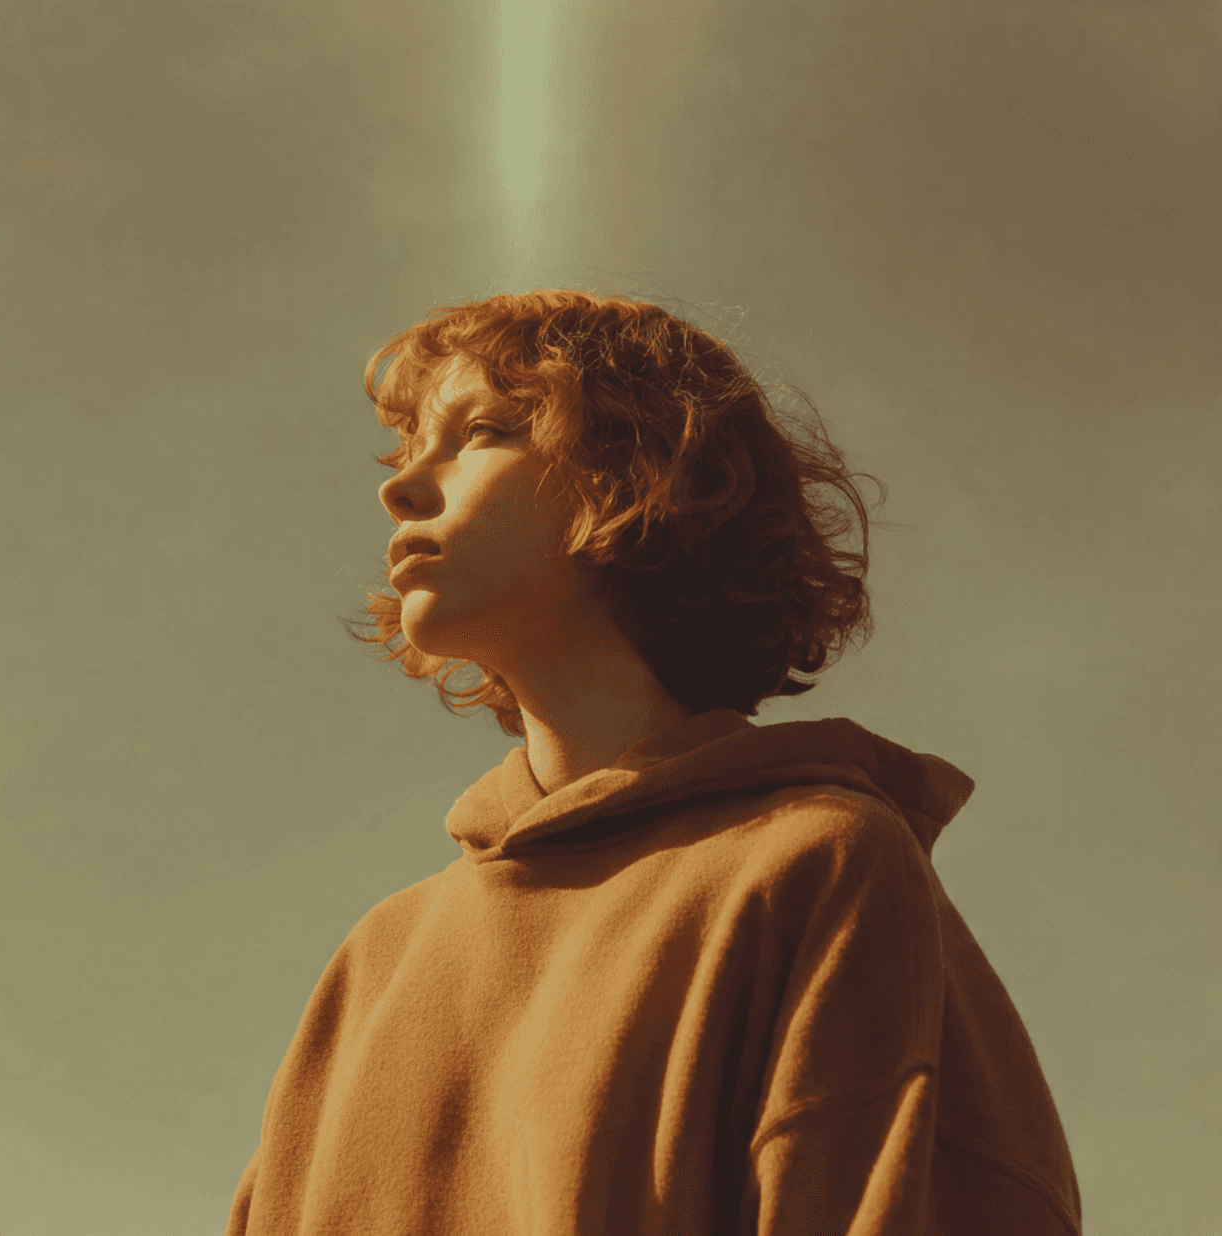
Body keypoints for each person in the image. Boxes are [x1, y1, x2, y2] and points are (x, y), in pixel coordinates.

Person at [226, 290, 1082, 1235]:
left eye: (481, 432)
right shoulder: (375, 964)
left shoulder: (814, 866)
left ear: (647, 473)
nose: (403, 487)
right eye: (405, 453)